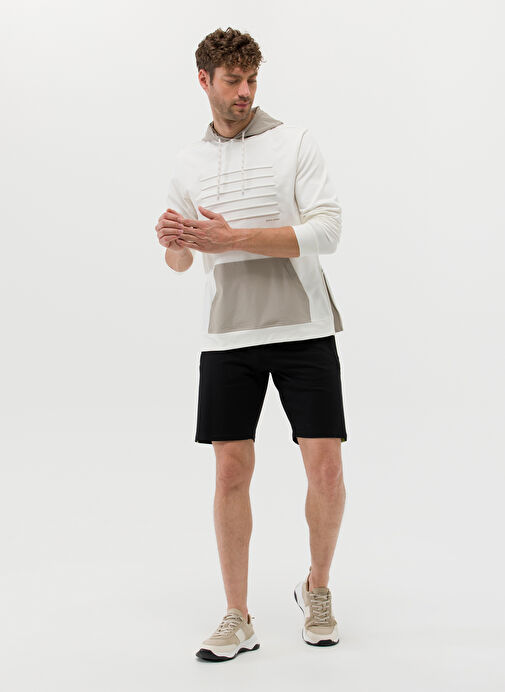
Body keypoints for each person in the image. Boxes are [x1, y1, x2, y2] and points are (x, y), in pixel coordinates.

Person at [155, 27, 348, 662]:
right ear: (204, 81)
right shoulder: (188, 162)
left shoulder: (295, 142)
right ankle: (237, 615)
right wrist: (176, 242)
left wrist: (233, 238)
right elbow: (181, 263)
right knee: (231, 471)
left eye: (252, 80)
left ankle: (317, 589)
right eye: (233, 80)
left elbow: (327, 231)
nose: (244, 92)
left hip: (304, 329)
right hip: (228, 335)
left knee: (325, 468)